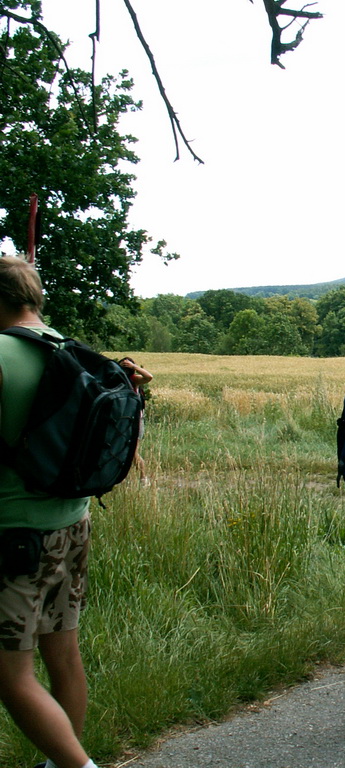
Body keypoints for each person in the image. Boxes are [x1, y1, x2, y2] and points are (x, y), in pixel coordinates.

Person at [0, 255, 108, 768]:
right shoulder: (70, 349)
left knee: (10, 676)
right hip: (72, 524)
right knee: (63, 657)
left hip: (13, 536)